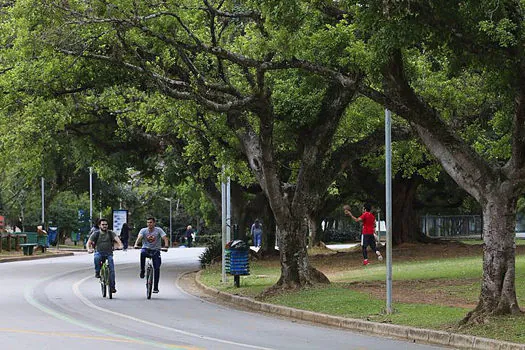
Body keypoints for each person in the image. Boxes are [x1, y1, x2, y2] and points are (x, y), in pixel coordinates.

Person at [86, 218, 123, 293]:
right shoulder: (96, 233)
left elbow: (118, 240)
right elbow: (88, 243)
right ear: (99, 225)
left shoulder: (110, 233)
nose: (104, 226)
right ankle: (97, 272)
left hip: (109, 254)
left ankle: (112, 287)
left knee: (112, 270)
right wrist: (89, 249)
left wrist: (120, 246)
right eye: (103, 224)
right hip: (99, 252)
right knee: (96, 257)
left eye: (106, 224)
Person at [134, 217, 169, 293]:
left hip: (156, 250)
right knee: (142, 253)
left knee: (157, 268)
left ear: (154, 223)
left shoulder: (158, 230)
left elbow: (165, 238)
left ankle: (155, 287)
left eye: (151, 222)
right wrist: (136, 244)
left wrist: (166, 246)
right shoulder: (143, 230)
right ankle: (142, 270)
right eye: (148, 222)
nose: (149, 224)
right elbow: (139, 237)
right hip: (146, 249)